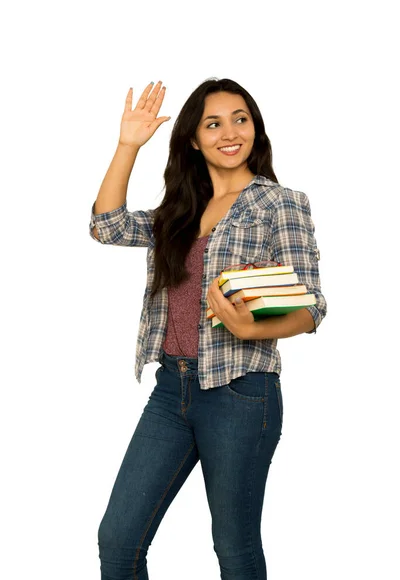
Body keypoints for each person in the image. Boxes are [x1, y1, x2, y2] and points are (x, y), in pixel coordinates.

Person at [89, 78, 327, 580]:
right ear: (193, 140)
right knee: (118, 539)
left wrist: (250, 327)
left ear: (255, 129)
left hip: (242, 394)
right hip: (170, 391)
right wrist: (127, 145)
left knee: (234, 547)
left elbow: (312, 307)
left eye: (240, 118)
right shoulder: (180, 209)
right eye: (212, 123)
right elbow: (106, 226)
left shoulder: (279, 203)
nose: (229, 132)